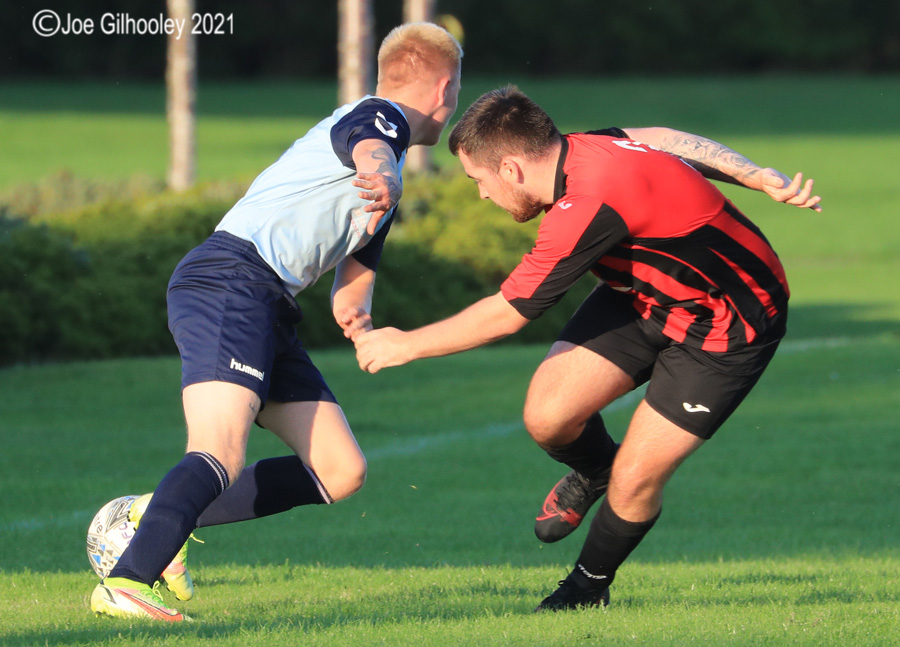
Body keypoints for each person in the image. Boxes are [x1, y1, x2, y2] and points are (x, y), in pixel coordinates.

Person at [354, 85, 821, 612]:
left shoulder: (587, 206)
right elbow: (668, 139)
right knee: (548, 417)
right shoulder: (585, 147)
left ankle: (586, 587)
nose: (481, 194)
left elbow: (508, 313)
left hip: (726, 326)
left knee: (637, 478)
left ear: (510, 169)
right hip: (643, 294)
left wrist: (406, 345)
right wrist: (754, 175)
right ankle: (597, 470)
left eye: (478, 181)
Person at [90, 22, 463, 622]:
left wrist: (362, 323)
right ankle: (127, 579)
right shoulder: (381, 120)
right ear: (445, 86)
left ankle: (151, 513)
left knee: (340, 471)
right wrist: (386, 174)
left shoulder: (383, 178)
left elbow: (352, 282)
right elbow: (370, 146)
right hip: (231, 281)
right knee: (218, 450)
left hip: (269, 301)